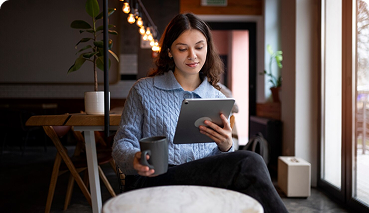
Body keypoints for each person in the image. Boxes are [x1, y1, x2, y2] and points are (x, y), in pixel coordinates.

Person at [112, 13, 288, 213]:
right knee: (251, 162)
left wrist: (226, 146)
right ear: (169, 51)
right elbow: (122, 142)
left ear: (207, 48)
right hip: (155, 178)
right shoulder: (143, 90)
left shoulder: (218, 99)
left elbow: (220, 162)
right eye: (182, 48)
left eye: (199, 47)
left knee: (249, 166)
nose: (192, 55)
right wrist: (134, 158)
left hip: (201, 181)